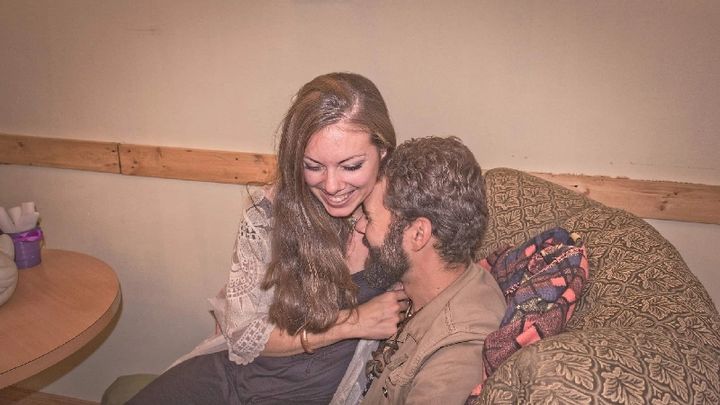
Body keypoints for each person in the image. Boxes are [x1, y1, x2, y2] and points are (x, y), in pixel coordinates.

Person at [126, 72, 409, 404]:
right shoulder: (269, 214)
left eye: (351, 166)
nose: (332, 186)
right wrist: (351, 322)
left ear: (383, 151)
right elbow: (244, 335)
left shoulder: (405, 219)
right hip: (233, 375)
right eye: (313, 166)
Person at [357, 136, 507, 404]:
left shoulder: (455, 353)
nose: (361, 228)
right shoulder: (429, 286)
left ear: (418, 234)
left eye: (369, 218)